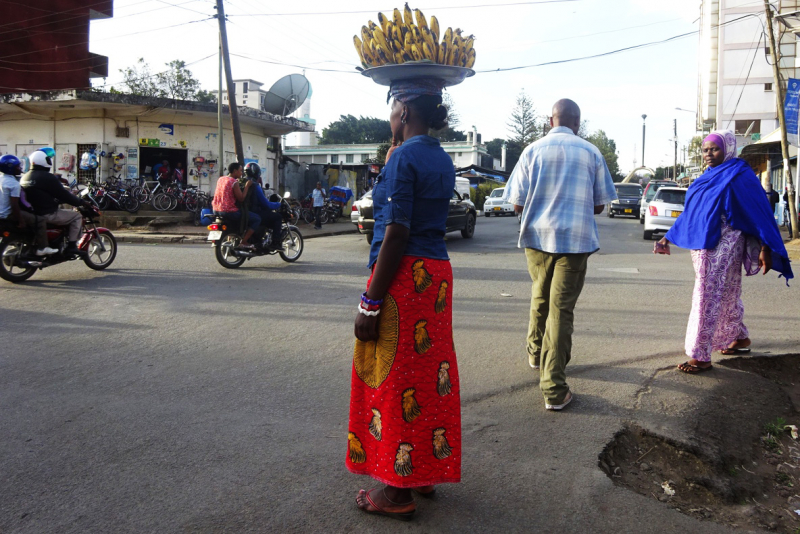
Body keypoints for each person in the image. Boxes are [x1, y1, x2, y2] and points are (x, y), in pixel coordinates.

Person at [349, 79, 461, 521]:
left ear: (407, 112)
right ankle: (422, 471)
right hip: (435, 277)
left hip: (404, 276)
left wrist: (370, 302)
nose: (390, 116)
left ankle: (396, 492)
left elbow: (396, 231)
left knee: (394, 377)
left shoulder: (404, 159)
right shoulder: (440, 157)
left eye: (393, 107)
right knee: (429, 371)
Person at [502, 99, 617, 411]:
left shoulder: (531, 151)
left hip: (536, 239)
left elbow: (516, 204)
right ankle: (554, 388)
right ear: (577, 122)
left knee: (540, 296)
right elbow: (598, 205)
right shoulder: (591, 152)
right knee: (561, 310)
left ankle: (535, 353)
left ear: (549, 120)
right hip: (574, 241)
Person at [654, 130, 792, 373]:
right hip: (702, 246)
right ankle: (740, 337)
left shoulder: (739, 175)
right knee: (726, 293)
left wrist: (765, 248)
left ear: (727, 149)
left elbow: (760, 214)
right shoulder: (705, 178)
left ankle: (701, 355)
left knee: (706, 296)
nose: (708, 153)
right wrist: (667, 237)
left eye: (714, 149)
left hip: (725, 244)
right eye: (705, 149)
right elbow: (690, 214)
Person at [20, 149, 90, 256]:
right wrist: (80, 202)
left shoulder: (25, 177)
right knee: (76, 216)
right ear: (44, 161)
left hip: (32, 213)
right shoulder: (47, 177)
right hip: (47, 213)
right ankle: (72, 246)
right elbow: (63, 194)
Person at [0, 155, 57, 256]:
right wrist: (21, 220)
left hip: (1, 214)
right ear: (11, 168)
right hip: (8, 214)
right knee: (40, 220)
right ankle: (43, 247)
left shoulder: (1, 179)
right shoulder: (14, 184)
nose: (20, 168)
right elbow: (14, 205)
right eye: (18, 166)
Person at [212, 162, 260, 249]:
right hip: (228, 211)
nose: (242, 173)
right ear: (235, 171)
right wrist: (247, 186)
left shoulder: (221, 179)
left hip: (216, 210)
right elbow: (241, 198)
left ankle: (232, 238)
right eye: (240, 171)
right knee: (256, 219)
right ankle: (244, 242)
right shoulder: (234, 182)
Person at [244, 163, 282, 250]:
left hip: (245, 212)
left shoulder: (241, 182)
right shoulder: (255, 186)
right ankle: (275, 243)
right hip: (255, 212)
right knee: (277, 217)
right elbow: (266, 204)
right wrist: (278, 204)